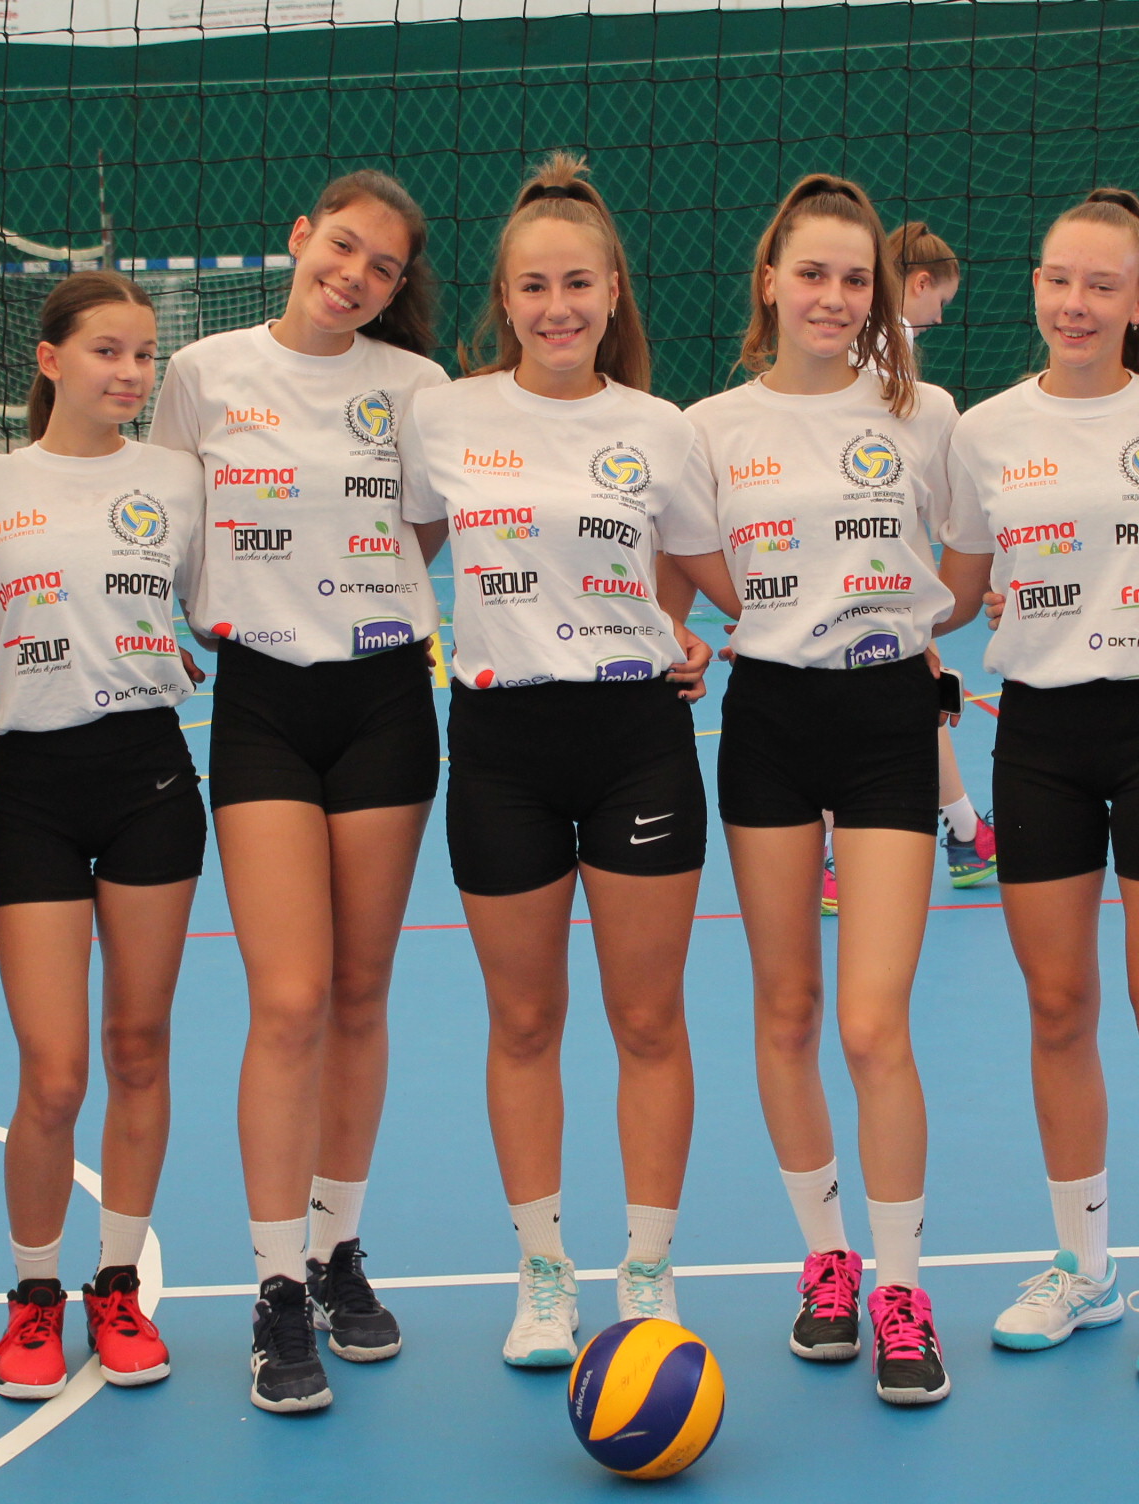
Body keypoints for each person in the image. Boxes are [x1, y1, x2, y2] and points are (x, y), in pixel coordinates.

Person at [397, 151, 718, 1369]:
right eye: (533, 286)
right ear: (505, 296)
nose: (557, 307)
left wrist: (683, 629)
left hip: (637, 739)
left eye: (578, 283)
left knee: (647, 1018)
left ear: (614, 287)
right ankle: (543, 1270)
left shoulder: (661, 428)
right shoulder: (447, 414)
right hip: (501, 743)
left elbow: (698, 566)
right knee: (524, 1019)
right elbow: (395, 545)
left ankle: (647, 1267)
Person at [147, 169, 448, 1413]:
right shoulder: (203, 372)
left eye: (383, 267)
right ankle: (275, 1287)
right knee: (288, 998)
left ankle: (336, 1250)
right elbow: (154, 518)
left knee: (361, 992)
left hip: (385, 700)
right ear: (298, 234)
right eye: (343, 247)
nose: (356, 276)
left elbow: (425, 531)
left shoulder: (416, 386)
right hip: (261, 702)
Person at [939, 188, 1139, 1379]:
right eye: (1059, 279)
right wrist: (821, 597)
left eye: (1102, 285)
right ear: (1036, 286)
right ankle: (1085, 1265)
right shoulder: (983, 432)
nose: (1075, 302)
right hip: (1041, 730)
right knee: (1058, 1007)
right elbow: (956, 590)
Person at [676, 175, 962, 1404]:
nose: (835, 297)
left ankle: (902, 1286)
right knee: (787, 1010)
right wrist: (726, 622)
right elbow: (678, 563)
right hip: (771, 718)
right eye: (814, 274)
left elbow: (962, 560)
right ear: (770, 282)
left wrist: (907, 624)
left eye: (857, 278)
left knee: (871, 1023)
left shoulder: (926, 414)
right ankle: (828, 1261)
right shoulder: (709, 426)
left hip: (889, 715)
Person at [0, 271, 207, 1400]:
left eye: (145, 354)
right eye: (108, 350)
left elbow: (210, 605)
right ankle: (34, 1296)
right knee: (53, 1074)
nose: (131, 373)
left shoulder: (178, 479)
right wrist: (35, 652)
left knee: (138, 1047)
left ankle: (118, 1286)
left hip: (150, 775)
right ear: (48, 360)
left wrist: (151, 644)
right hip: (35, 788)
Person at [889, 220, 995, 893]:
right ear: (921, 282)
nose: (941, 315)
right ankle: (962, 833)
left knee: (906, 697)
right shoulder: (898, 358)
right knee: (890, 698)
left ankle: (964, 831)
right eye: (942, 300)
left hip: (859, 576)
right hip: (880, 574)